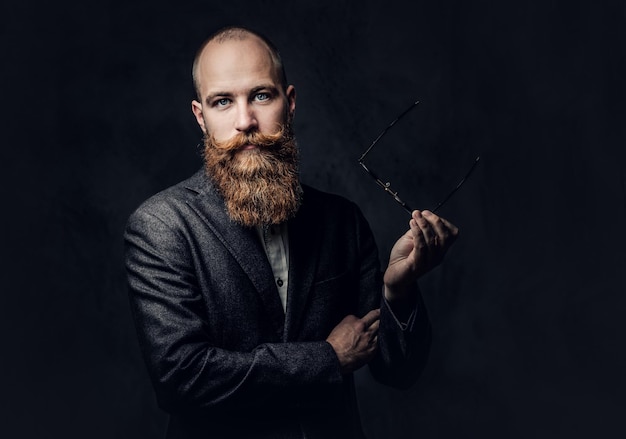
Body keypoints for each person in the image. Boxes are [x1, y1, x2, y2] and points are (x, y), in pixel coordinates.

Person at [124, 25, 458, 439]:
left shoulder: (343, 222)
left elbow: (399, 372)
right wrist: (328, 358)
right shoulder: (161, 226)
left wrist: (398, 291)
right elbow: (182, 379)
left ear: (290, 102)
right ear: (201, 117)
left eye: (261, 95)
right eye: (223, 101)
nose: (245, 121)